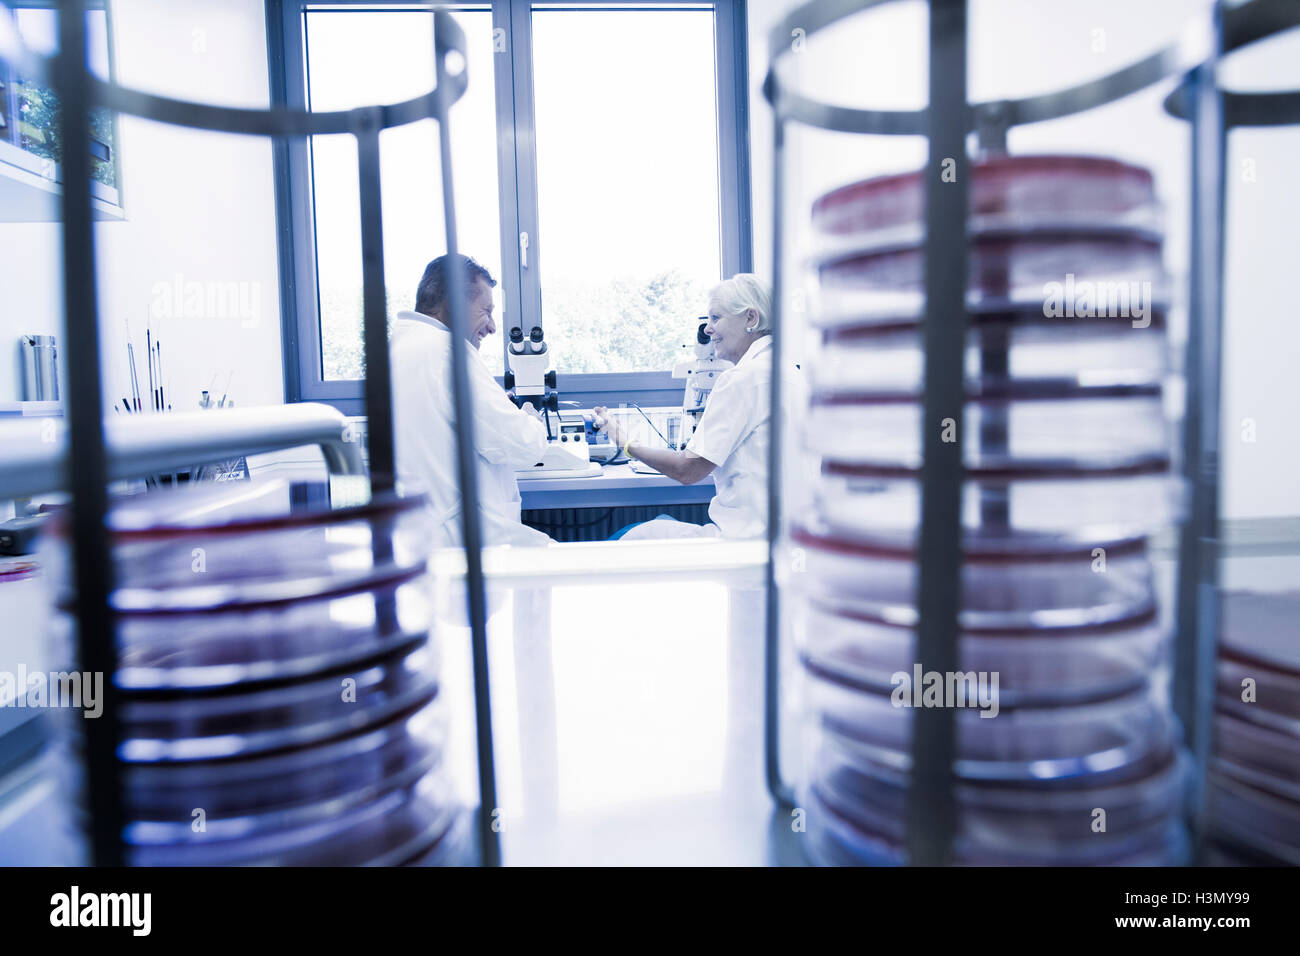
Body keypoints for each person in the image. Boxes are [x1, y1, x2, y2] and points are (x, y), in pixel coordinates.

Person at [594, 274, 795, 540]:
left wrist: (623, 441)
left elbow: (686, 470)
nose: (708, 329)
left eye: (715, 318)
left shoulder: (743, 378)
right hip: (783, 538)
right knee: (662, 522)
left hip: (743, 542)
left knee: (629, 536)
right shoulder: (788, 370)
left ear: (751, 319)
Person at [390, 254, 551, 548]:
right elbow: (522, 445)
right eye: (486, 311)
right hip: (467, 539)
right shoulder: (449, 352)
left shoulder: (400, 348)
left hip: (426, 536)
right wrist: (531, 419)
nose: (491, 327)